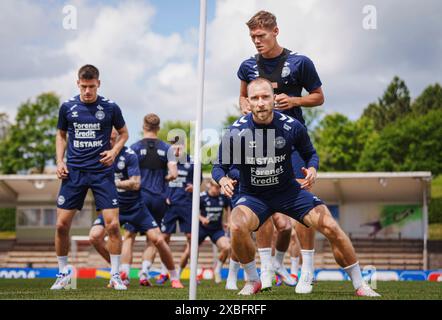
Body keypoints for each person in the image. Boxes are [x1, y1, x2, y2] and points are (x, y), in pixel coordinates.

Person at [212, 78, 380, 297]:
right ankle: (253, 279)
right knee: (236, 226)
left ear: (274, 98)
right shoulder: (235, 132)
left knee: (330, 225)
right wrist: (223, 180)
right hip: (253, 196)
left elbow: (311, 154)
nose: (261, 102)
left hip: (288, 192)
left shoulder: (292, 126)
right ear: (247, 102)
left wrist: (312, 169)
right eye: (255, 98)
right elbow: (219, 167)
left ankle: (360, 284)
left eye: (265, 97)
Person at [236, 10, 324, 293]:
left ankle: (307, 272)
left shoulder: (300, 61)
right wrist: (245, 106)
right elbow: (241, 96)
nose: (256, 41)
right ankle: (265, 270)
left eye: (260, 36)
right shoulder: (248, 66)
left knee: (304, 204)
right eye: (252, 37)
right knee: (260, 201)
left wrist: (295, 100)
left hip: (292, 143)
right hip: (259, 143)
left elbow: (319, 96)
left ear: (276, 31)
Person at [52, 65, 129, 290]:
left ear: (98, 84)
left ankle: (115, 276)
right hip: (73, 172)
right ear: (78, 83)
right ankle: (63, 273)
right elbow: (61, 135)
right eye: (84, 86)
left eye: (91, 86)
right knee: (60, 225)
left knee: (113, 225)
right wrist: (59, 160)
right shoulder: (67, 107)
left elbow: (124, 133)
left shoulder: (110, 107)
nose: (87, 91)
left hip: (101, 173)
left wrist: (114, 152)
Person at [88, 129, 184, 289]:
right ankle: (116, 272)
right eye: (108, 139)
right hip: (112, 207)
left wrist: (113, 183)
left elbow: (136, 183)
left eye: (113, 139)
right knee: (94, 237)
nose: (110, 142)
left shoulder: (130, 154)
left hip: (135, 206)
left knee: (158, 239)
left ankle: (174, 277)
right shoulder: (98, 155)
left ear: (119, 139)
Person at [130, 113, 178, 285]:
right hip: (158, 198)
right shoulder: (167, 149)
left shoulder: (134, 148)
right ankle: (143, 272)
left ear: (143, 126)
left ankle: (123, 275)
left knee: (129, 235)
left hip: (138, 197)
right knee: (153, 239)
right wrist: (164, 179)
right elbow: (174, 174)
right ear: (158, 128)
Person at [178, 180, 231, 284]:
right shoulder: (201, 197)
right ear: (209, 186)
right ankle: (177, 275)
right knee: (189, 251)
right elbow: (193, 210)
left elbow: (229, 208)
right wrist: (202, 219)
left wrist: (228, 221)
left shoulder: (222, 197)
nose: (217, 189)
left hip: (216, 229)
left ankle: (217, 271)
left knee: (227, 247)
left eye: (219, 187)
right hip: (201, 228)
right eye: (215, 187)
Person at [160, 140, 195, 278]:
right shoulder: (165, 160)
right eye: (174, 147)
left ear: (184, 147)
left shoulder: (192, 162)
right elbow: (159, 180)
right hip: (169, 205)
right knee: (164, 238)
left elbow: (198, 181)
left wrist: (193, 187)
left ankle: (189, 273)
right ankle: (164, 272)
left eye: (179, 146)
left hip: (186, 204)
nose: (177, 149)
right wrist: (164, 196)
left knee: (192, 238)